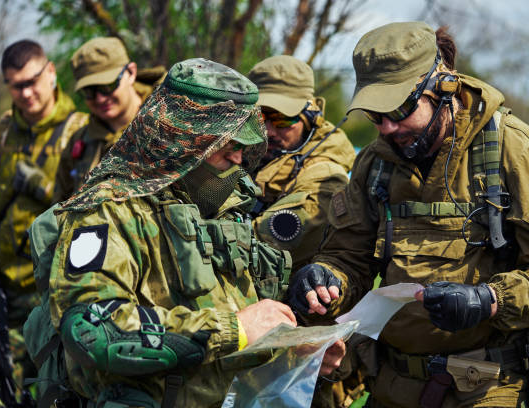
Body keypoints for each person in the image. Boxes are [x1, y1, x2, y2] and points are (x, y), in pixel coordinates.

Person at [287, 22, 529, 407]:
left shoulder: (516, 151)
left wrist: (488, 299)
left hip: (492, 386)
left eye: (399, 109)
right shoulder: (376, 164)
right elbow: (347, 258)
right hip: (393, 383)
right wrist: (326, 278)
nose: (387, 127)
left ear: (443, 85)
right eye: (375, 114)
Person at [39, 58, 344, 408]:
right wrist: (236, 329)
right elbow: (92, 331)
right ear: (181, 140)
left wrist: (294, 348)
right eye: (227, 146)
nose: (239, 161)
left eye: (243, 148)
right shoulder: (109, 210)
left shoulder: (218, 205)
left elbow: (234, 328)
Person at [0, 39, 87, 404]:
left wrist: (41, 185)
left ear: (51, 72)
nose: (27, 92)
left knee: (51, 392)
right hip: (6, 288)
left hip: (52, 292)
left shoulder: (79, 130)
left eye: (33, 80)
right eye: (17, 85)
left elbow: (88, 209)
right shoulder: (2, 131)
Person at [247, 55, 356, 271]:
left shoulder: (325, 176)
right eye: (259, 118)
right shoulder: (247, 155)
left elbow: (266, 248)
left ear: (310, 116)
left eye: (282, 119)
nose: (268, 131)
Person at [53, 36, 166, 203]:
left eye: (107, 86)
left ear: (131, 73)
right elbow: (58, 211)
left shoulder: (168, 124)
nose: (100, 99)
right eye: (89, 91)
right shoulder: (78, 143)